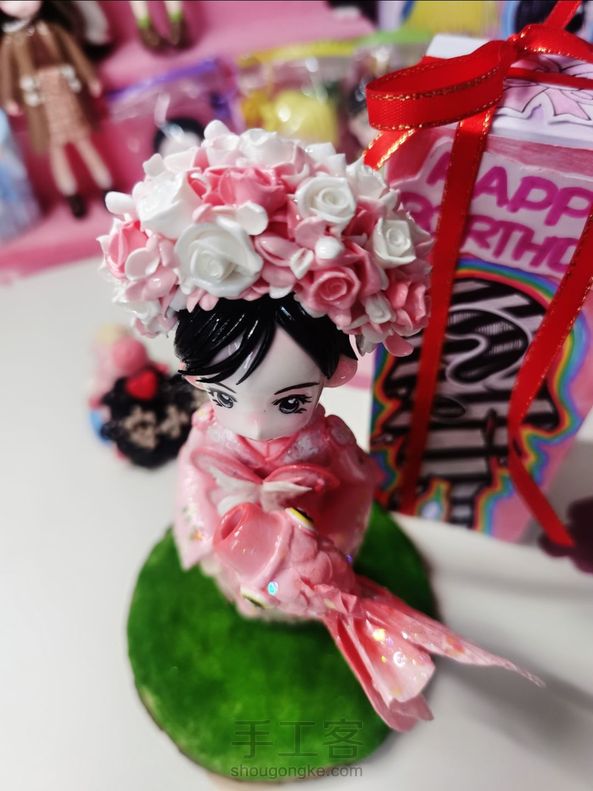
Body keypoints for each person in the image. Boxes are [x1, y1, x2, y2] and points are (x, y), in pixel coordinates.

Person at [100, 121, 539, 731]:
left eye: (289, 401)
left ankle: (297, 602)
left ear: (337, 373)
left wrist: (329, 543)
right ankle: (255, 596)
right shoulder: (210, 437)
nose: (253, 422)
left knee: (303, 587)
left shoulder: (323, 441)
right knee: (243, 584)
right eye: (222, 394)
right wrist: (224, 526)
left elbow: (354, 487)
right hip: (238, 538)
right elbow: (198, 488)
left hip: (312, 543)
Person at [0, 0, 112, 217]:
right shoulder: (11, 42)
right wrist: (9, 99)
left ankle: (107, 187)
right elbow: (7, 73)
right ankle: (71, 195)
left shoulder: (53, 29)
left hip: (65, 94)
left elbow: (74, 54)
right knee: (56, 152)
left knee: (84, 142)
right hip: (40, 104)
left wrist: (90, 77)